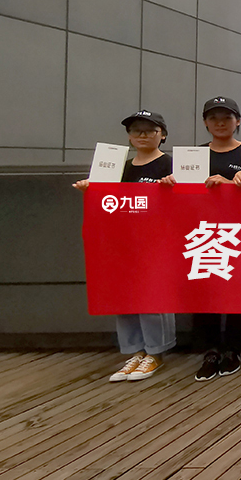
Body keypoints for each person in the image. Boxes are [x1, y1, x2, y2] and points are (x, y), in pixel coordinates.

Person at [74, 110, 177, 383]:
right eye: (136, 130)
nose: (142, 135)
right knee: (124, 295)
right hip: (121, 241)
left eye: (149, 130)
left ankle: (155, 352)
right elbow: (106, 201)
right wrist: (90, 190)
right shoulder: (119, 167)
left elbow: (188, 200)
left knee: (153, 297)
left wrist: (174, 187)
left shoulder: (171, 164)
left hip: (156, 241)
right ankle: (135, 351)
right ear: (129, 137)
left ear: (162, 135)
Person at [194, 96, 241, 381]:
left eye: (226, 118)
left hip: (240, 232)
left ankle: (234, 350)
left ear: (237, 121)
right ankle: (210, 351)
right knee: (205, 292)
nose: (220, 123)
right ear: (205, 122)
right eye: (213, 118)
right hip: (201, 233)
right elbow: (182, 193)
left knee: (237, 292)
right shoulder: (194, 156)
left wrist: (236, 185)